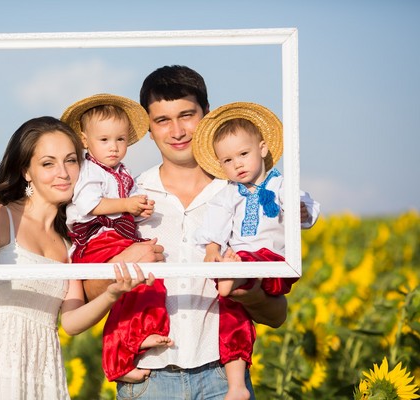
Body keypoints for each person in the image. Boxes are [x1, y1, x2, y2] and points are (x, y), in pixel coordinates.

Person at [83, 65, 291, 399]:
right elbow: (90, 293)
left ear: (207, 115)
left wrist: (245, 289)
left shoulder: (247, 196)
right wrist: (123, 260)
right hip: (148, 379)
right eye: (163, 120)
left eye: (187, 115)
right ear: (149, 129)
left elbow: (278, 314)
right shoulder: (125, 199)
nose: (177, 130)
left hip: (224, 379)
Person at [0, 116, 155, 400]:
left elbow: (71, 323)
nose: (63, 173)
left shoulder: (72, 243)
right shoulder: (0, 217)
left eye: (71, 161)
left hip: (38, 374)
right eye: (48, 163)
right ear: (26, 171)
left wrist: (112, 293)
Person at [191, 102, 320, 399]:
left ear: (262, 149)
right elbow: (215, 226)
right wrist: (212, 249)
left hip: (272, 265)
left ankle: (232, 275)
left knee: (241, 264)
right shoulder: (228, 195)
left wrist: (301, 211)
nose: (237, 164)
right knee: (232, 319)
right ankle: (236, 385)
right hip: (240, 266)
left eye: (243, 154)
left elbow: (308, 208)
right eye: (227, 160)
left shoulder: (281, 185)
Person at [61, 94, 173, 383]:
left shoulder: (123, 173)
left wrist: (139, 210)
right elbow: (90, 206)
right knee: (133, 279)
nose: (114, 147)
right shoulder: (88, 171)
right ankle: (118, 356)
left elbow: (125, 208)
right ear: (85, 140)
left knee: (145, 283)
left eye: (120, 140)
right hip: (95, 243)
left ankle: (138, 335)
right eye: (105, 140)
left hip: (116, 240)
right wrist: (126, 205)